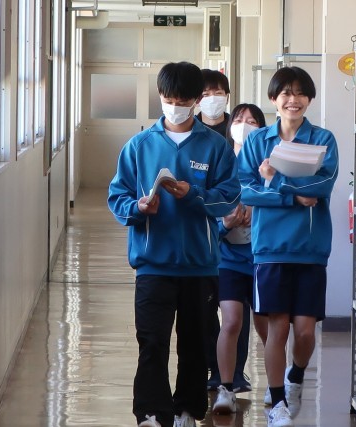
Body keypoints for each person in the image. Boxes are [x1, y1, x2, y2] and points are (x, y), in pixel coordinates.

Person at [107, 61, 241, 427]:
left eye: (183, 100)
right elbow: (117, 196)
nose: (175, 106)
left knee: (194, 344)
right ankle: (151, 412)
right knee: (152, 342)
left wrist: (192, 194)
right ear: (160, 96)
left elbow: (230, 197)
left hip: (200, 265)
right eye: (169, 99)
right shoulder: (139, 146)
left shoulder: (215, 147)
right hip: (153, 263)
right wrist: (137, 208)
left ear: (197, 100)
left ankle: (187, 410)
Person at [236, 66, 339, 427]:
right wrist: (291, 195)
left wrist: (273, 179)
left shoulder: (323, 138)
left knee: (306, 331)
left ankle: (296, 374)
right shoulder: (256, 141)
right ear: (273, 99)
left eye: (300, 93)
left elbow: (322, 187)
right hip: (270, 248)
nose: (293, 100)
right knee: (277, 328)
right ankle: (277, 402)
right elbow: (244, 191)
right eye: (285, 93)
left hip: (310, 247)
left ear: (309, 99)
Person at [196, 69, 253, 394]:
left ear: (227, 95)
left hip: (238, 244)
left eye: (218, 92)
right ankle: (213, 370)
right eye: (205, 94)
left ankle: (234, 374)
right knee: (205, 313)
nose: (212, 99)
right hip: (205, 239)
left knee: (236, 314)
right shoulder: (191, 134)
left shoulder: (240, 130)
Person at [212, 104, 269, 416]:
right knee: (232, 321)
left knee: (266, 326)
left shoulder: (268, 163)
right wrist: (227, 222)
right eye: (238, 119)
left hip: (262, 258)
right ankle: (226, 388)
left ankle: (277, 386)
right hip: (229, 257)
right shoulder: (221, 162)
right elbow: (209, 209)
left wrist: (256, 214)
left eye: (252, 121)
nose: (244, 125)